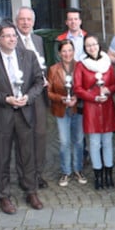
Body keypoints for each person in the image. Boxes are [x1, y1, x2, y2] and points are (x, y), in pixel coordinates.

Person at [0, 22, 45, 214]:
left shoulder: (28, 56)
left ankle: (31, 190)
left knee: (27, 156)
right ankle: (4, 195)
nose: (12, 39)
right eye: (7, 36)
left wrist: (29, 97)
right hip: (2, 115)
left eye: (14, 36)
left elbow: (39, 82)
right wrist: (5, 99)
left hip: (25, 113)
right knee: (2, 157)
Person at [73, 34, 115, 190]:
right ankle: (98, 175)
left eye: (94, 44)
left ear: (99, 45)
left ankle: (109, 174)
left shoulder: (107, 63)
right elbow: (78, 88)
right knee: (94, 143)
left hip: (107, 106)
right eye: (88, 45)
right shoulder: (81, 65)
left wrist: (107, 90)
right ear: (85, 48)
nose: (92, 47)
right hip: (91, 108)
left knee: (107, 142)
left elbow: (114, 84)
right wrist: (93, 96)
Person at [14, 6, 49, 189]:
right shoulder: (12, 41)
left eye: (29, 19)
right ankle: (24, 177)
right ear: (16, 22)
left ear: (33, 22)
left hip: (40, 96)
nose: (25, 22)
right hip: (22, 97)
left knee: (40, 135)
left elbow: (41, 66)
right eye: (22, 19)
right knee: (24, 138)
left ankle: (37, 174)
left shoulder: (38, 40)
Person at [47, 39, 87, 187]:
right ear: (59, 53)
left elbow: (86, 87)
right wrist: (61, 98)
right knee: (64, 142)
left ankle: (78, 169)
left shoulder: (81, 67)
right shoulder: (53, 69)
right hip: (61, 109)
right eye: (64, 51)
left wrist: (76, 97)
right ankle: (66, 171)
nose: (67, 54)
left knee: (78, 141)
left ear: (74, 51)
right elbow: (49, 92)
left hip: (78, 109)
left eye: (70, 50)